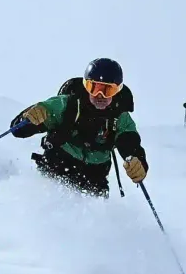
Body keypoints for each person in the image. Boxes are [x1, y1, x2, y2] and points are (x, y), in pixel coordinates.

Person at [10, 58, 148, 197]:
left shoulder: (120, 117)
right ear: (85, 86)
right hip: (58, 164)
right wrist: (28, 120)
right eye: (94, 88)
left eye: (108, 90)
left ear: (118, 90)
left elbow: (130, 144)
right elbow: (17, 130)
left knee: (95, 210)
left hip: (94, 176)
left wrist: (138, 163)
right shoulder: (66, 105)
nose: (100, 96)